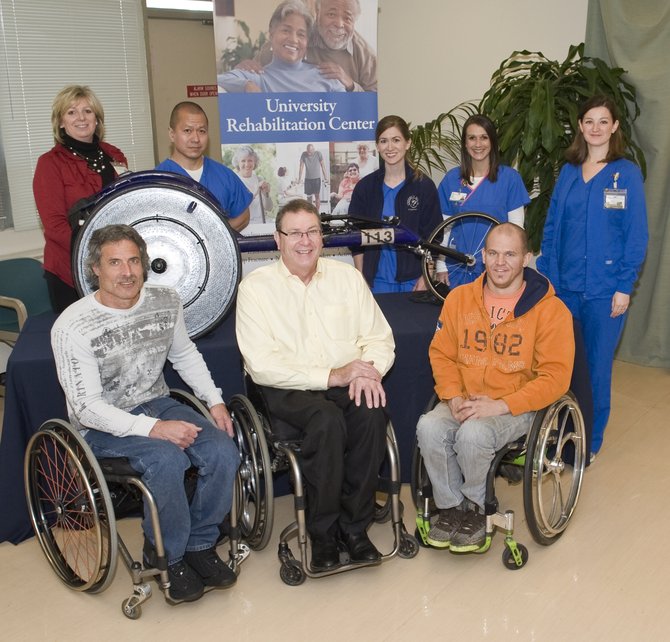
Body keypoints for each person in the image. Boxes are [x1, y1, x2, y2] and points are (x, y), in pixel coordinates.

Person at [51, 224, 240, 603]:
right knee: (167, 459)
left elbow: (184, 354)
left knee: (223, 450)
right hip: (100, 423)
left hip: (155, 400)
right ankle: (166, 555)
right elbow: (87, 407)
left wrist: (214, 400)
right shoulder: (73, 326)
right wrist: (154, 428)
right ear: (95, 270)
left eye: (133, 261)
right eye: (115, 262)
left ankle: (200, 545)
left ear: (144, 264)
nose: (127, 272)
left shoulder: (164, 300)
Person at [235, 198, 395, 572]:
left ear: (322, 238)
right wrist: (331, 376)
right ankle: (323, 534)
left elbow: (379, 337)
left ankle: (354, 529)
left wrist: (369, 370)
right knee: (325, 420)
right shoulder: (256, 288)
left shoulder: (347, 279)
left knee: (371, 411)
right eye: (295, 233)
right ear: (278, 239)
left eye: (312, 232)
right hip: (286, 388)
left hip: (345, 381)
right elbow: (261, 364)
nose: (304, 241)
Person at [416, 223, 574, 551]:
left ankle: (477, 507)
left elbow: (555, 377)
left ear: (526, 259)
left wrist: (500, 406)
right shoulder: (459, 299)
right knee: (429, 426)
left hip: (518, 406)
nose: (500, 262)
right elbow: (441, 354)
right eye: (493, 253)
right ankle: (450, 507)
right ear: (483, 256)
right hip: (466, 397)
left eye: (510, 254)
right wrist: (454, 396)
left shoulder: (550, 311)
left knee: (474, 434)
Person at [536, 95, 648, 461]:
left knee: (597, 370)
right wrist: (549, 280)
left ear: (614, 126)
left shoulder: (626, 173)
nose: (596, 128)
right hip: (565, 289)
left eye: (604, 121)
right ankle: (560, 432)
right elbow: (552, 229)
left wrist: (623, 287)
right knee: (562, 367)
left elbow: (636, 236)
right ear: (580, 127)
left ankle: (588, 443)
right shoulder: (568, 172)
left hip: (604, 294)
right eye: (589, 121)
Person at [33, 85, 128, 313]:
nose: (81, 118)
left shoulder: (114, 155)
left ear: (97, 118)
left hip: (116, 268)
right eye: (72, 112)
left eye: (88, 111)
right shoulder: (49, 164)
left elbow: (126, 205)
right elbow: (54, 227)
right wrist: (98, 254)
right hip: (70, 272)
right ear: (61, 122)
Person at [349, 115, 442, 293]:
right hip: (375, 283)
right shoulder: (365, 188)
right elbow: (356, 238)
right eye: (384, 141)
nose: (390, 147)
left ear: (407, 143)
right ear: (377, 146)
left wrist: (426, 275)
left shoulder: (424, 186)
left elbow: (433, 237)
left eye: (396, 140)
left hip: (414, 281)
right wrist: (362, 277)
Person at [435, 114, 530, 288]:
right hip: (456, 269)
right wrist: (440, 265)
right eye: (472, 138)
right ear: (465, 143)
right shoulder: (451, 180)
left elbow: (517, 231)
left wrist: (514, 268)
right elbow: (443, 229)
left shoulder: (510, 179)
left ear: (492, 142)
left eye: (484, 138)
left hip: (498, 270)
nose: (478, 144)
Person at [239, 0, 377, 92]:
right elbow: (250, 73)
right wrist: (247, 69)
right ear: (318, 14)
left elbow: (375, 105)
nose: (339, 24)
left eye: (347, 18)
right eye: (331, 14)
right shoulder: (295, 38)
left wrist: (350, 84)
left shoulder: (365, 55)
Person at [156, 102, 251, 232]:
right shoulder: (157, 180)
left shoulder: (224, 176)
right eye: (187, 131)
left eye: (202, 131)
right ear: (172, 134)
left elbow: (243, 216)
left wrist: (214, 236)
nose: (195, 139)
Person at [218, 1, 345, 93]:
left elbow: (347, 117)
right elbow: (217, 80)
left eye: (301, 34)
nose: (293, 39)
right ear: (272, 34)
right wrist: (246, 85)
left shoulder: (326, 78)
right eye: (286, 30)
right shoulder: (259, 77)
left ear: (307, 42)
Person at [232, 145, 273, 224]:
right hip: (244, 225)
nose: (247, 164)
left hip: (262, 223)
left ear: (255, 162)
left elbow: (269, 208)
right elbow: (236, 209)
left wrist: (266, 194)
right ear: (238, 163)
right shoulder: (234, 181)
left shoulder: (259, 179)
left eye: (250, 160)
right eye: (243, 161)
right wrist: (256, 192)